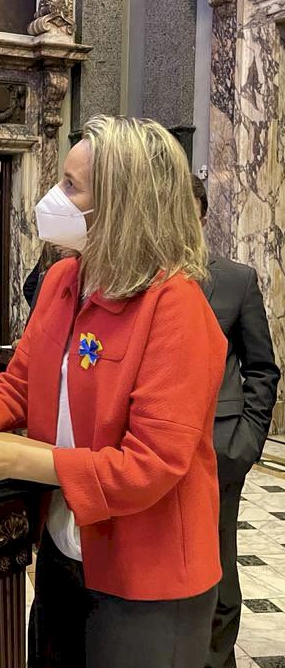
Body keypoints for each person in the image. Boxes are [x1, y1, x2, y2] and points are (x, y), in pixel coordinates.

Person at [0, 116, 227, 667]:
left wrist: (20, 458)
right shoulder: (64, 280)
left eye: (70, 186)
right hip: (62, 546)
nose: (52, 197)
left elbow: (151, 465)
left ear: (122, 204)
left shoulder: (175, 306)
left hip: (146, 574)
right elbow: (21, 381)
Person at [190, 175, 280, 668]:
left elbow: (262, 367)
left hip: (219, 448)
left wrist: (245, 443)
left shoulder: (235, 280)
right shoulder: (139, 277)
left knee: (220, 572)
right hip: (147, 448)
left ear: (203, 218)